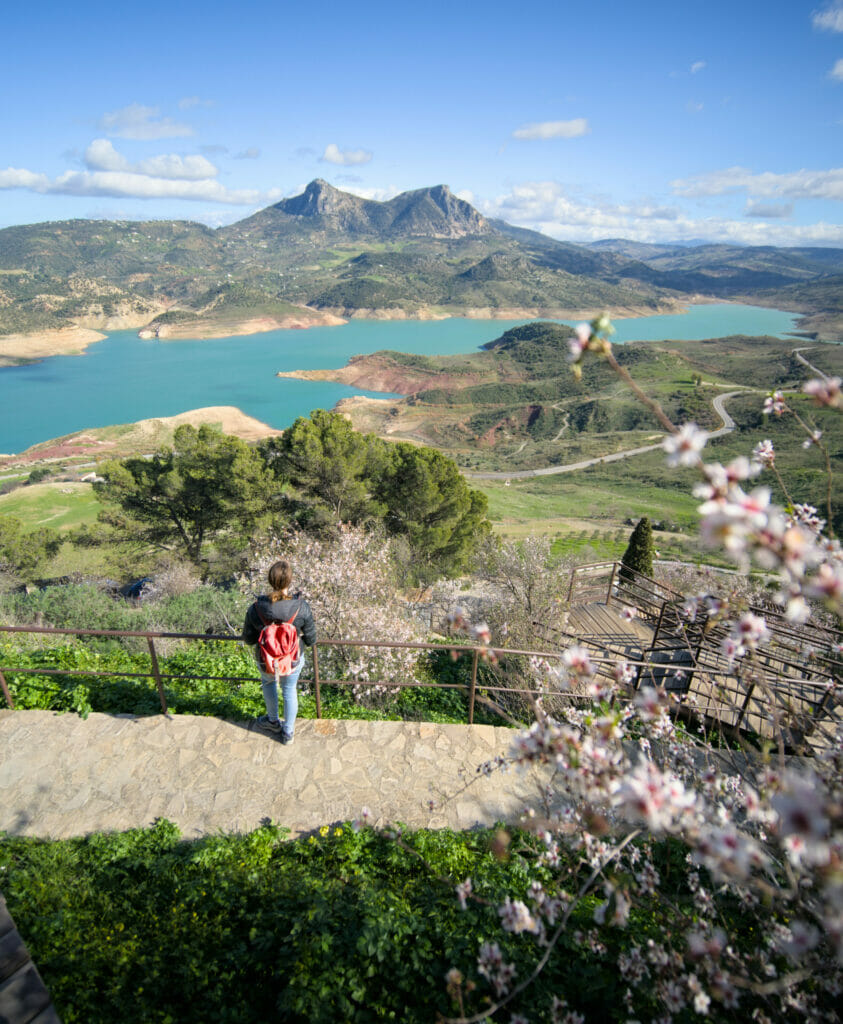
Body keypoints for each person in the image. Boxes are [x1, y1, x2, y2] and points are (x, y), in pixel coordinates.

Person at [242, 559, 316, 744]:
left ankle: (272, 721)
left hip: (266, 660)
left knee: (268, 685)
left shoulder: (256, 608)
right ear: (289, 581)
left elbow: (249, 639)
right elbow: (312, 639)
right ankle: (288, 732)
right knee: (289, 689)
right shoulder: (301, 607)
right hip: (292, 660)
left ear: (270, 580)